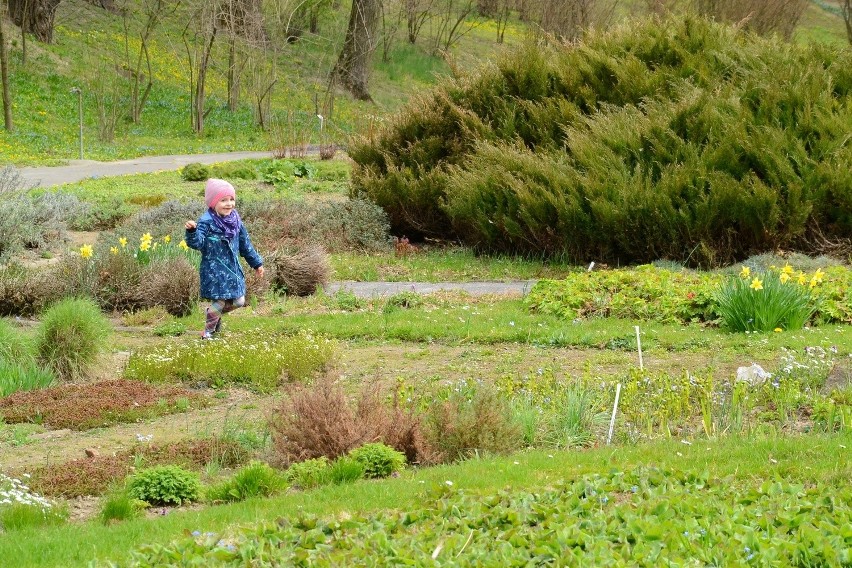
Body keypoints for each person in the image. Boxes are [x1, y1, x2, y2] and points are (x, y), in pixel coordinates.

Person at [185, 178, 265, 339]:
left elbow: (245, 244)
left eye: (231, 199)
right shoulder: (206, 222)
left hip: (232, 269)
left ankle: (212, 315)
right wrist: (192, 232)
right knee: (220, 301)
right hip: (214, 269)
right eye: (223, 200)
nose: (229, 204)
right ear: (213, 203)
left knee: (239, 301)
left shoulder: (235, 220)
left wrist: (256, 263)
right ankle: (207, 333)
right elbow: (198, 243)